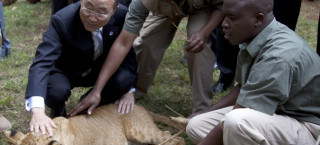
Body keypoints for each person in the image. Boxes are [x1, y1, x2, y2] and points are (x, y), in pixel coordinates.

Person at [166, 0, 320, 145]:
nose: (223, 24)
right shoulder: (253, 36)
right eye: (224, 16)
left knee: (237, 122)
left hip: (311, 133)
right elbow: (243, 88)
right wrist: (206, 112)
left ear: (258, 19)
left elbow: (240, 113)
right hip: (282, 117)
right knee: (197, 126)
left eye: (232, 18)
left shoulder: (278, 57)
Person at [69, 0, 225, 115]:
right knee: (145, 43)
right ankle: (135, 90)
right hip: (162, 9)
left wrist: (204, 32)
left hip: (201, 8)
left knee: (197, 47)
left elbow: (221, 6)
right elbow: (123, 43)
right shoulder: (142, 2)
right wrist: (98, 90)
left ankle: (202, 109)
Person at [25, 0, 137, 136]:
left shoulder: (124, 16)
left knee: (124, 80)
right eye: (88, 8)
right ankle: (58, 109)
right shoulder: (62, 19)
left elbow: (127, 51)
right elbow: (42, 62)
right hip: (67, 69)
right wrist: (37, 110)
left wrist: (129, 90)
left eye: (101, 12)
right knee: (55, 91)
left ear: (114, 10)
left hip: (101, 70)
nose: (92, 18)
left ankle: (90, 103)